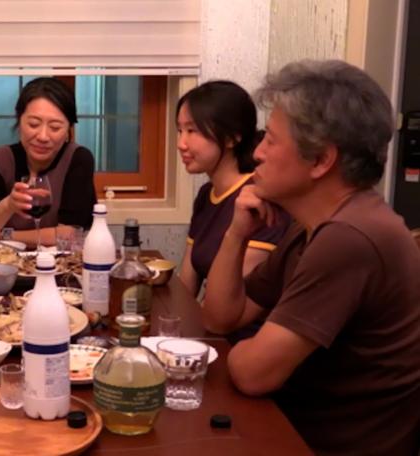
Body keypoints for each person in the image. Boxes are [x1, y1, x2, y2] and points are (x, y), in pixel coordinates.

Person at [203, 60, 420, 455]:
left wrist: (244, 349)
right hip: (287, 424)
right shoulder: (309, 225)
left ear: (320, 160)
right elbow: (220, 318)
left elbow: (253, 375)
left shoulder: (349, 237)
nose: (258, 153)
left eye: (270, 140)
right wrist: (236, 233)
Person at [176, 80, 289, 297]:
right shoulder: (206, 194)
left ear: (231, 137)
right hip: (205, 315)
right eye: (180, 130)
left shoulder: (256, 198)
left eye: (192, 130)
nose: (181, 143)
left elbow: (239, 299)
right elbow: (186, 287)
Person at [0, 77, 97, 248]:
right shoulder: (2, 159)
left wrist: (8, 235)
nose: (43, 136)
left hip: (62, 262)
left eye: (55, 127)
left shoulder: (78, 158)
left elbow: (70, 234)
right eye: (34, 124)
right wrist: (8, 205)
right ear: (19, 121)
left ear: (68, 129)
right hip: (7, 262)